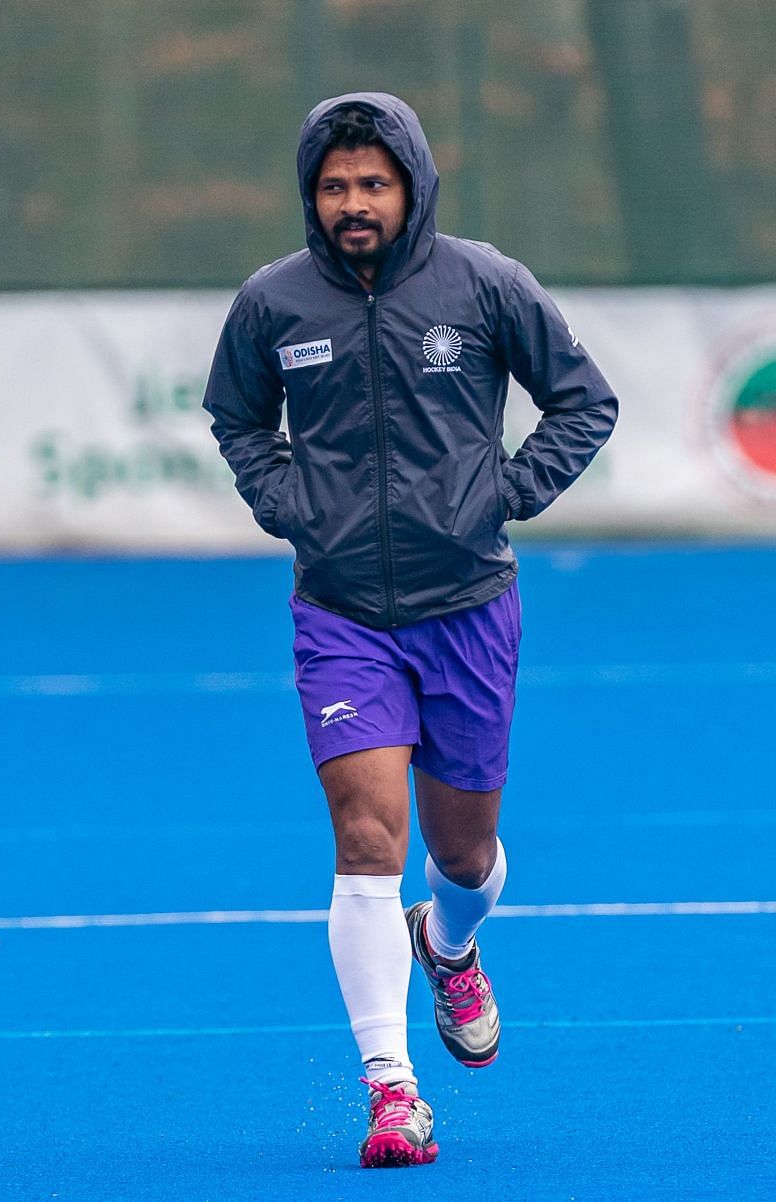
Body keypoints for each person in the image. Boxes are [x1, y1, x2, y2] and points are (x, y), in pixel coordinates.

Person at [203, 91, 618, 1168]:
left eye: (371, 184)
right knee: (364, 836)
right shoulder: (270, 302)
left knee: (462, 851)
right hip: (340, 612)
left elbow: (583, 399)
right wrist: (288, 506)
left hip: (468, 607)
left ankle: (452, 941)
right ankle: (392, 1091)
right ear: (312, 194)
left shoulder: (483, 282)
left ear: (410, 187)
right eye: (334, 185)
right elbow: (236, 419)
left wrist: (507, 492)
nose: (352, 203)